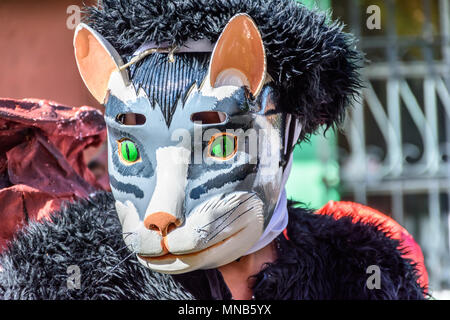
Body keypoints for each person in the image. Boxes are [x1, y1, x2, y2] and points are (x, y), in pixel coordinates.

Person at [0, 0, 428, 300]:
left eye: (219, 144)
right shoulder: (61, 277)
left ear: (285, 135)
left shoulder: (358, 276)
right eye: (131, 152)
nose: (160, 212)